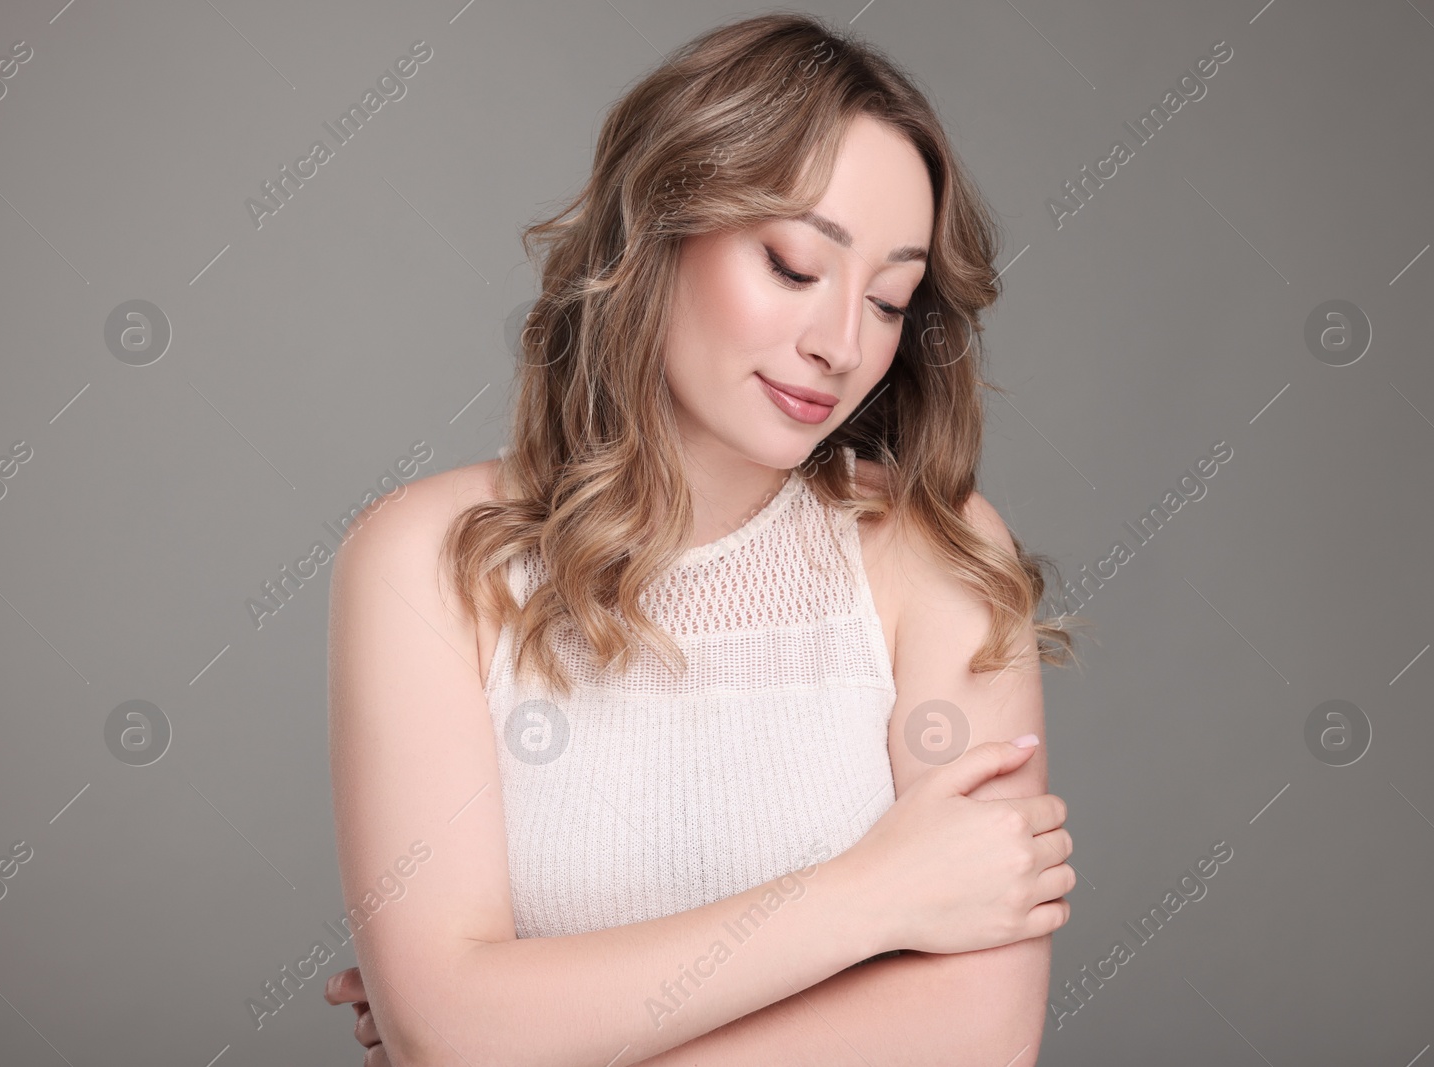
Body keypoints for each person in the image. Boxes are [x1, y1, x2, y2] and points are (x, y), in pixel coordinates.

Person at [323, 11, 1084, 1065]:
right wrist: (872, 895)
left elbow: (975, 1034)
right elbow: (454, 1029)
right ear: (660, 226)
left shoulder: (936, 550)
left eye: (889, 299)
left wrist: (536, 1027)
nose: (838, 344)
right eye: (790, 264)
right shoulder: (427, 561)